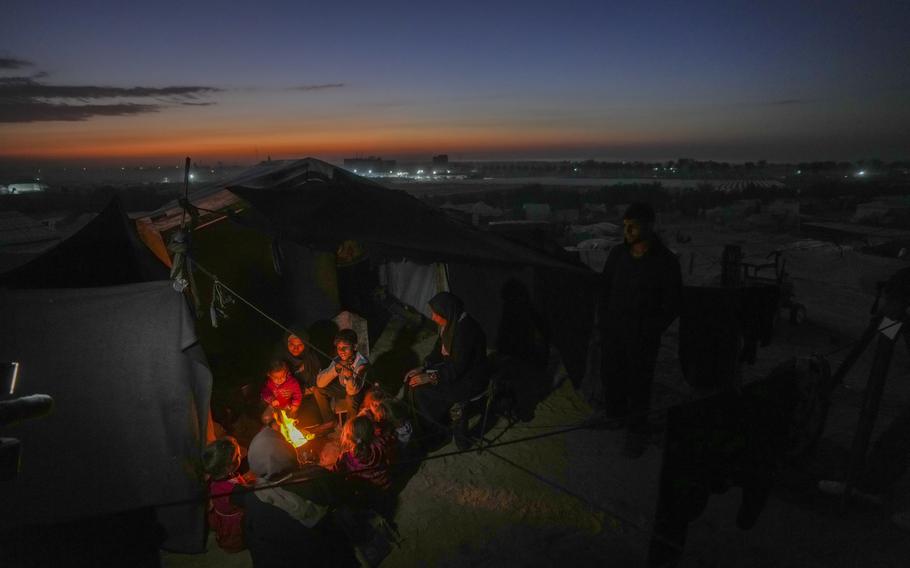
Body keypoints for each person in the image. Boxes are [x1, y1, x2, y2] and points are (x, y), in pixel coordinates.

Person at [598, 202, 681, 457]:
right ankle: (614, 416)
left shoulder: (666, 262)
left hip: (643, 337)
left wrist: (651, 329)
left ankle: (636, 430)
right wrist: (604, 322)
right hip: (614, 332)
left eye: (633, 225)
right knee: (612, 375)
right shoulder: (617, 255)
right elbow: (605, 289)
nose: (628, 230)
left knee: (639, 382)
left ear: (649, 225)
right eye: (625, 225)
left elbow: (673, 302)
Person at [231, 426, 357, 567]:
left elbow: (253, 543)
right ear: (287, 451)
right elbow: (346, 496)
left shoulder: (252, 499)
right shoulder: (316, 479)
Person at [407, 291, 488, 450]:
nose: (432, 317)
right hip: (452, 370)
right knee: (413, 382)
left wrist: (430, 377)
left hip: (469, 379)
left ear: (447, 312)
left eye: (436, 314)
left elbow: (458, 368)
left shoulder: (465, 331)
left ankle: (439, 432)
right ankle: (432, 425)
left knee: (422, 391)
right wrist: (424, 366)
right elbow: (439, 350)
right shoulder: (450, 325)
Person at [202, 436, 248, 553]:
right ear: (229, 467)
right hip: (235, 521)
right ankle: (235, 546)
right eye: (238, 456)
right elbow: (248, 500)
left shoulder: (214, 478)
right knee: (237, 537)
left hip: (222, 514)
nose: (240, 456)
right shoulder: (232, 490)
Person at [314, 329, 369, 424]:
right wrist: (335, 369)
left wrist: (349, 376)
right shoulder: (338, 359)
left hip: (358, 391)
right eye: (339, 348)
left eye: (345, 347)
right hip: (343, 388)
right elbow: (320, 383)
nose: (341, 351)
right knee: (318, 390)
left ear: (354, 347)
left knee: (351, 399)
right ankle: (330, 422)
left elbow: (352, 391)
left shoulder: (361, 364)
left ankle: (349, 427)